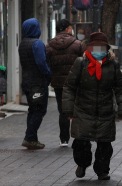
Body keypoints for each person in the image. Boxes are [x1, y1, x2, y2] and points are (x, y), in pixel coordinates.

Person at [62, 32, 122, 180]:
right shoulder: (81, 63)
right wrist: (68, 108)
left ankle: (102, 170)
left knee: (105, 145)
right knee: (81, 143)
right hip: (83, 110)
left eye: (102, 47)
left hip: (105, 111)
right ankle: (82, 164)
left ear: (107, 48)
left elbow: (120, 89)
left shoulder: (113, 65)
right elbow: (69, 87)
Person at [46, 19, 85, 147]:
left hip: (58, 83)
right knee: (77, 108)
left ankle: (64, 139)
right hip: (75, 82)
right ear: (68, 29)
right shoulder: (78, 44)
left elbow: (47, 64)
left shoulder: (49, 46)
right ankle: (79, 136)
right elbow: (84, 63)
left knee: (62, 110)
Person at [18, 18, 51, 150]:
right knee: (39, 110)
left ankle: (32, 138)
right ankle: (30, 137)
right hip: (37, 83)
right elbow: (41, 63)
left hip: (26, 82)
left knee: (32, 109)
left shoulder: (22, 44)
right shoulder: (37, 44)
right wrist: (48, 74)